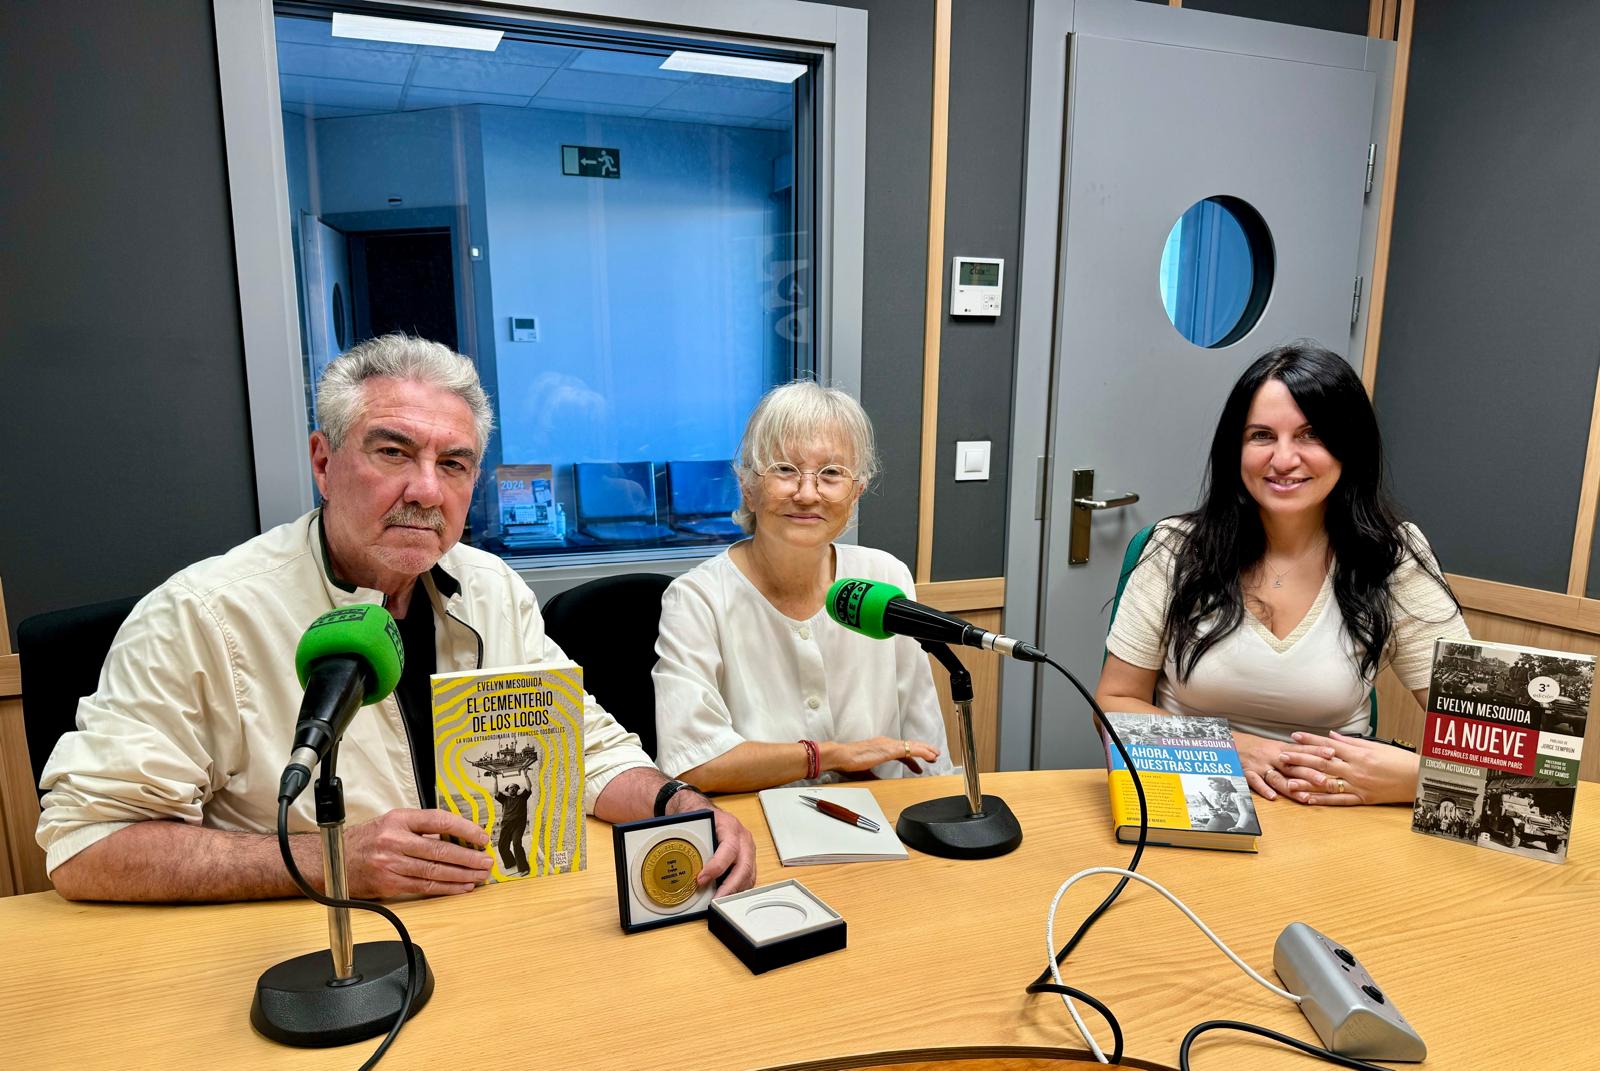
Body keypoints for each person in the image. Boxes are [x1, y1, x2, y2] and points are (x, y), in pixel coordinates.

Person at [36, 335, 756, 901]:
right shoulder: (201, 614)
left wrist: (680, 805)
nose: (425, 489)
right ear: (323, 462)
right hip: (307, 950)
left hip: (488, 921)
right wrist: (333, 859)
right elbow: (88, 845)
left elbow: (585, 752)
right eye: (394, 451)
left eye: (454, 464)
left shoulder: (491, 587)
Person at [1095, 341, 1469, 806]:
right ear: (1235, 447)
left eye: (1311, 434)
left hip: (1331, 814)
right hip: (1195, 798)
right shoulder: (1177, 548)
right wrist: (1228, 749)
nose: (1284, 460)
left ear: (1349, 446)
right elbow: (1114, 704)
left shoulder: (1395, 557)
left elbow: (1494, 743)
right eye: (1262, 436)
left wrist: (1415, 778)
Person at [652, 381, 952, 793]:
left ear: (857, 492)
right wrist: (828, 756)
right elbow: (692, 762)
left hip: (882, 818)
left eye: (831, 474)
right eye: (785, 470)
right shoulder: (697, 599)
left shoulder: (886, 578)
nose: (808, 493)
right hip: (752, 825)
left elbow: (926, 742)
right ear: (748, 488)